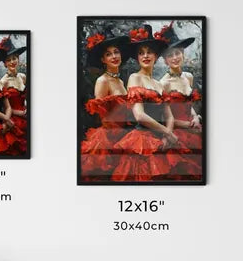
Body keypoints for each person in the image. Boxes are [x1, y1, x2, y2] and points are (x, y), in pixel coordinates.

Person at [112, 24, 178, 182]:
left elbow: (169, 116)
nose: (145, 56)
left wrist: (166, 138)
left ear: (156, 56)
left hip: (161, 140)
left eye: (149, 52)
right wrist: (168, 133)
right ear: (137, 58)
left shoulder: (159, 84)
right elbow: (139, 115)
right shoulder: (135, 77)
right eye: (141, 53)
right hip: (141, 140)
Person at [156, 22, 203, 180]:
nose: (175, 58)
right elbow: (166, 119)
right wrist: (189, 125)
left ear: (183, 54)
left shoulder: (188, 77)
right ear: (165, 60)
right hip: (176, 134)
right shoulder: (164, 83)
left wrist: (196, 116)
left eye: (177, 53)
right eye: (170, 55)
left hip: (193, 131)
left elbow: (189, 106)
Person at [80, 29, 130, 180]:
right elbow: (99, 115)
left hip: (125, 133)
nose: (114, 56)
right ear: (103, 59)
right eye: (108, 54)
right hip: (109, 138)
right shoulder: (102, 81)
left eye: (116, 52)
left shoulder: (120, 81)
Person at [0, 38, 28, 157]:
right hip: (13, 119)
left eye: (14, 58)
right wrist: (20, 113)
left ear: (18, 59)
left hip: (26, 116)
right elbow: (3, 107)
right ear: (4, 63)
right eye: (8, 60)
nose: (12, 62)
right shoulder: (3, 82)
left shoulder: (23, 77)